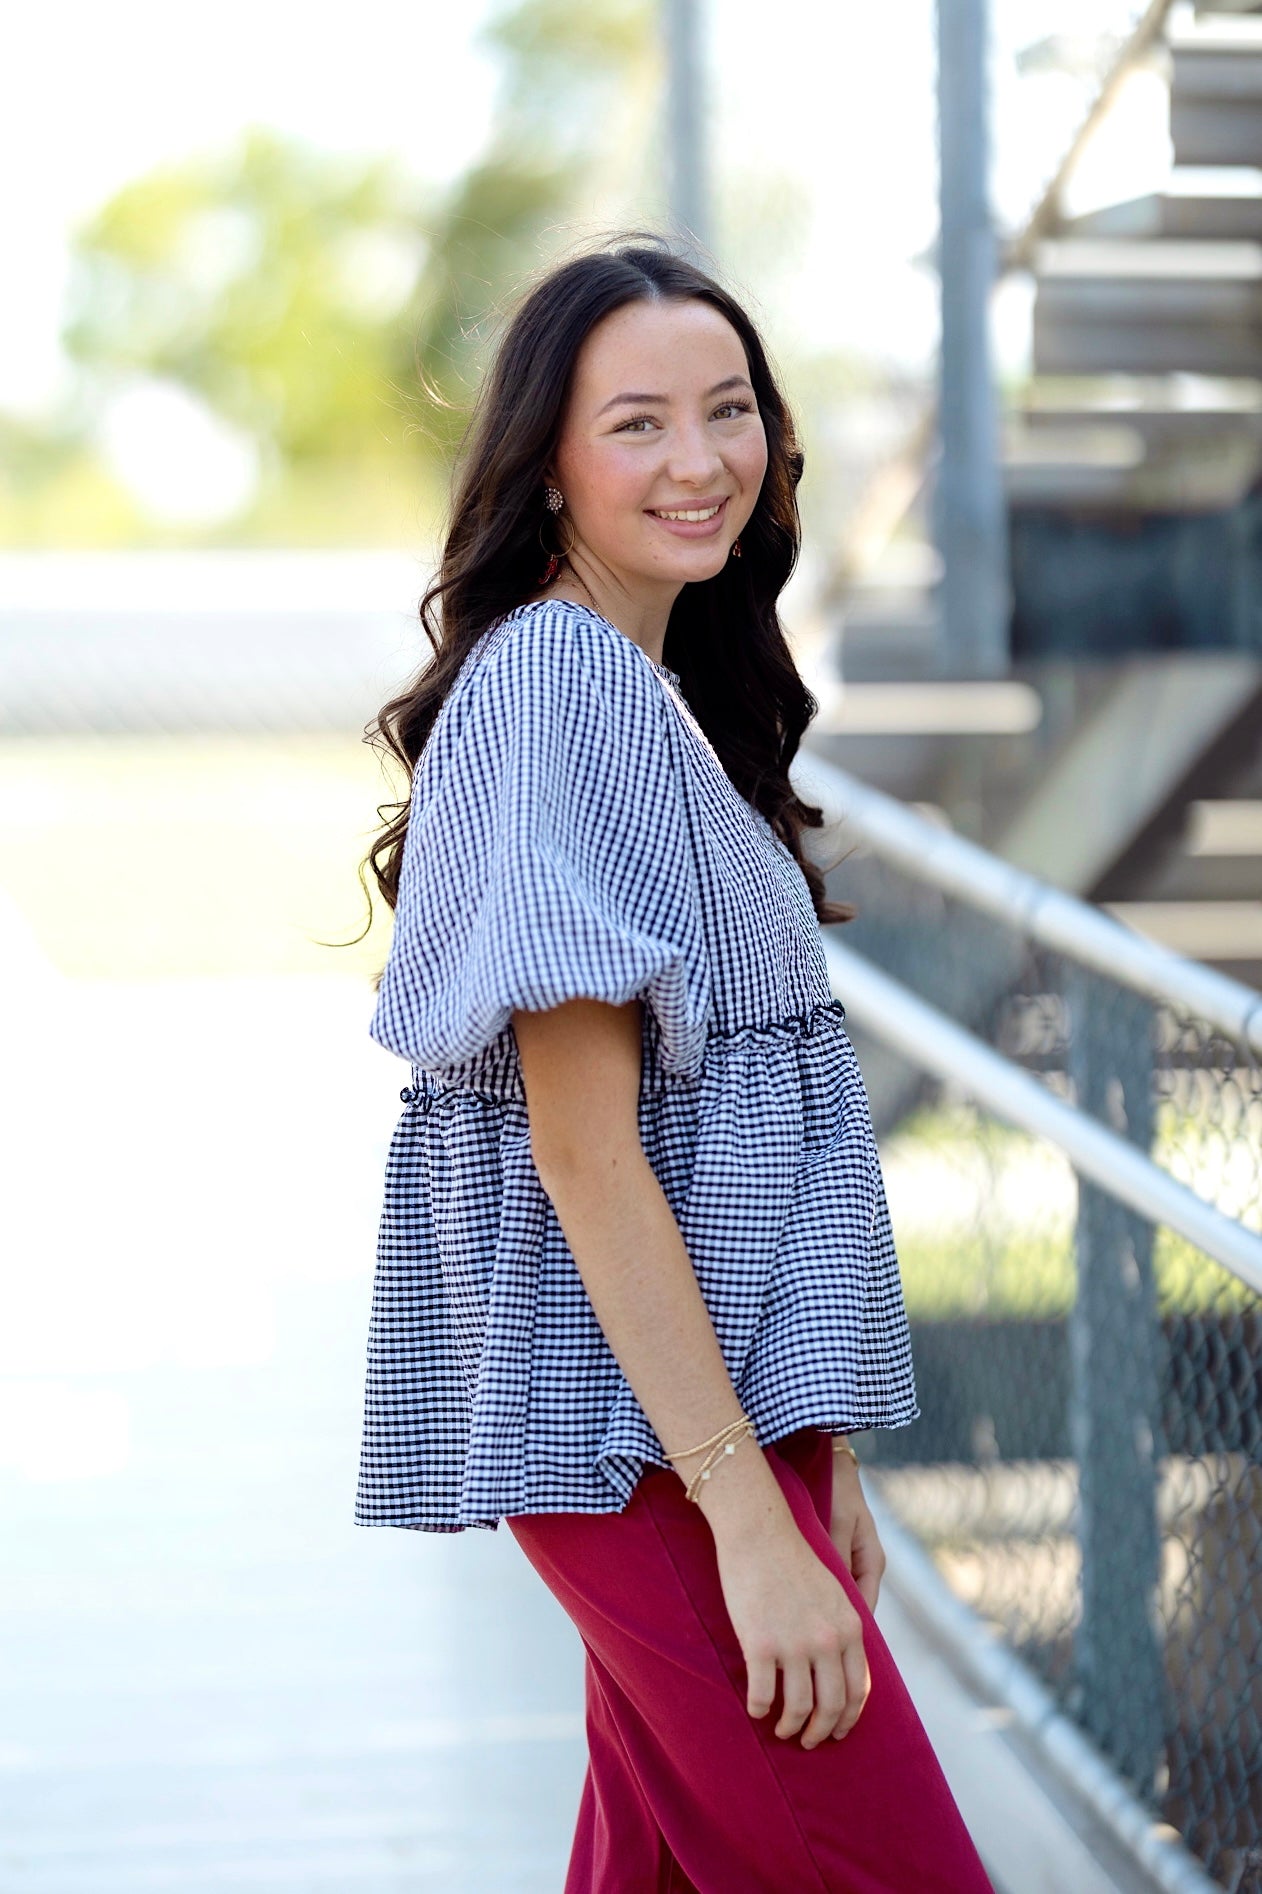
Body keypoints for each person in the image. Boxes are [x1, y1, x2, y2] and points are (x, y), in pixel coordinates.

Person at [354, 235, 994, 1893]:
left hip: (700, 1432)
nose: (699, 460)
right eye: (635, 422)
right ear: (546, 463)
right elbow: (584, 1151)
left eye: (728, 411)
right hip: (650, 1453)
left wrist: (813, 1452)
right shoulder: (560, 686)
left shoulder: (648, 687)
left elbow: (731, 1141)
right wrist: (742, 1516)